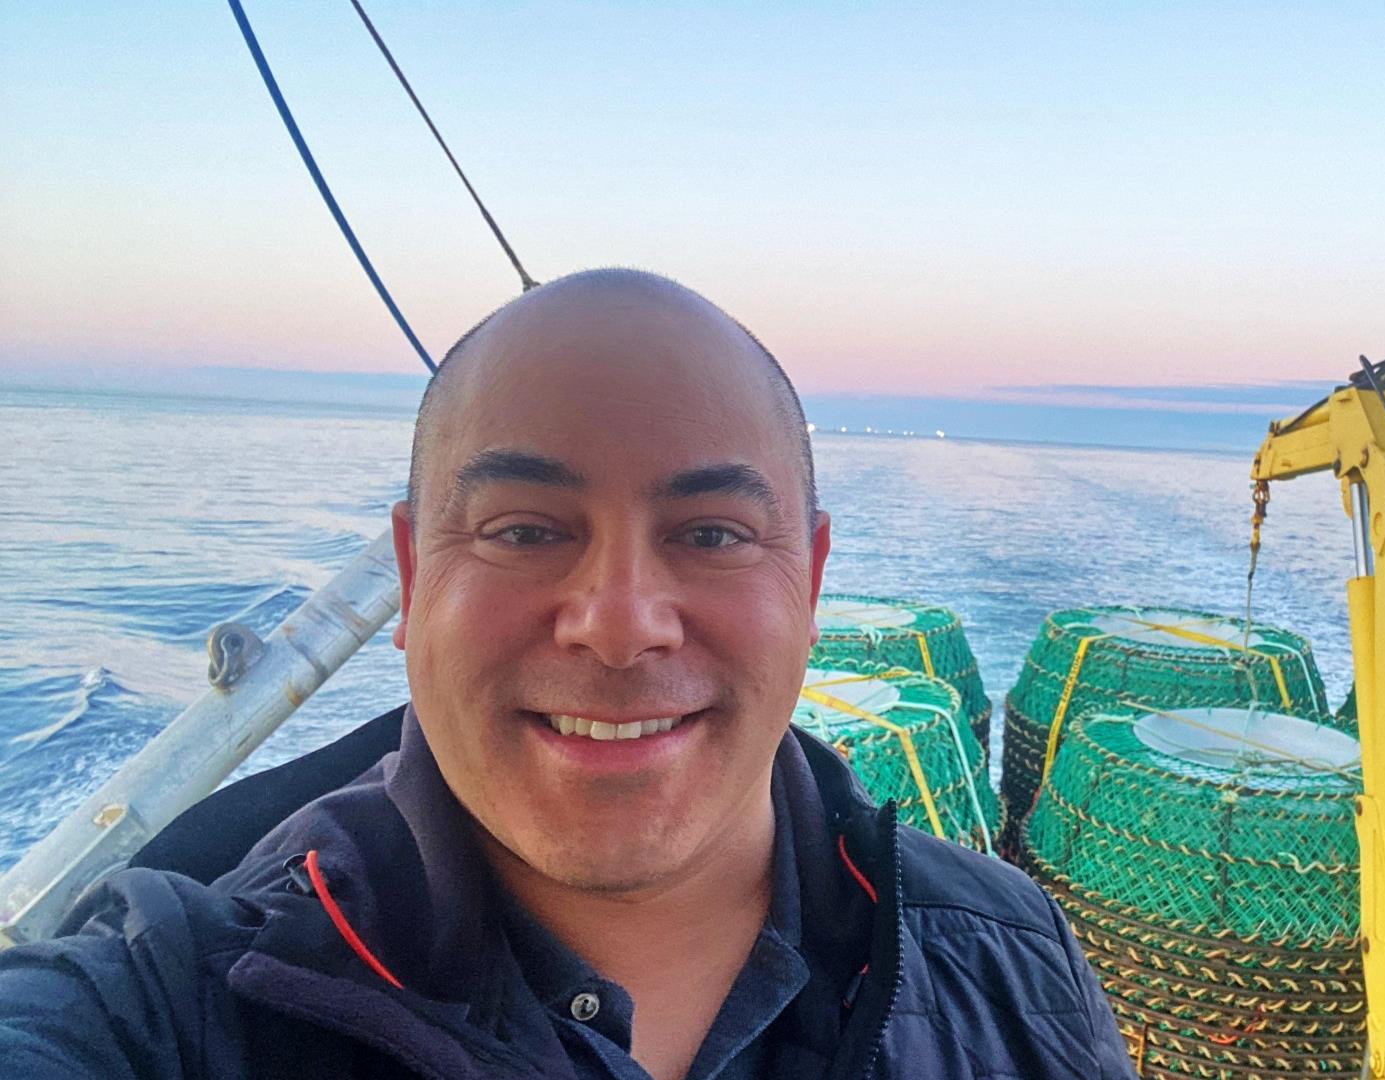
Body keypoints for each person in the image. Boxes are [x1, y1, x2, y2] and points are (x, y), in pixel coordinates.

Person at [0, 269, 1135, 1079]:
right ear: (410, 575)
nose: (619, 626)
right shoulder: (180, 999)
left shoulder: (1009, 960)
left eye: (712, 534)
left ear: (812, 580)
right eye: (525, 529)